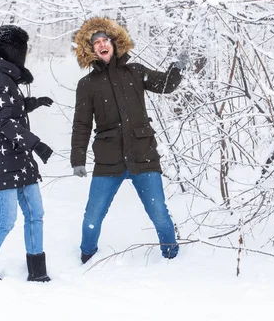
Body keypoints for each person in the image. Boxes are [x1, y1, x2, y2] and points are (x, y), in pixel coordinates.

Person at [70, 16, 187, 263]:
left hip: (142, 155)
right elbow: (81, 124)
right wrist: (77, 158)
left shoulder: (135, 72)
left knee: (158, 212)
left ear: (114, 43)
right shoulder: (87, 85)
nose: (102, 44)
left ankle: (172, 256)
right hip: (108, 161)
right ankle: (86, 256)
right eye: (96, 42)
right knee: (93, 216)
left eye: (105, 40)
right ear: (90, 49)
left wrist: (179, 67)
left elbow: (166, 85)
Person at [0, 25, 54, 282]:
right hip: (0, 159)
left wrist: (32, 103)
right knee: (6, 219)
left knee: (35, 213)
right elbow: (3, 122)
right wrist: (36, 144)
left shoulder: (3, 77)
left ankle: (37, 272)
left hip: (17, 156)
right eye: (23, 50)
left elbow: (9, 108)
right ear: (12, 51)